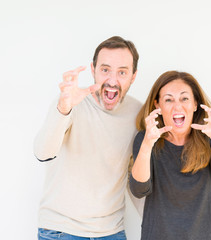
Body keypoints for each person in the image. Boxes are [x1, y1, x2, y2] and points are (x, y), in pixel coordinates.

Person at [34, 36, 143, 240]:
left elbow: (134, 175)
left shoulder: (137, 113)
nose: (112, 80)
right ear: (93, 70)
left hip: (112, 232)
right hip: (60, 230)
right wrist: (63, 109)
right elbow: (43, 153)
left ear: (133, 76)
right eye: (105, 69)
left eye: (122, 72)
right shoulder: (70, 102)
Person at [129, 71, 211, 240]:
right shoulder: (146, 139)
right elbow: (139, 189)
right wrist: (147, 144)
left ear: (195, 104)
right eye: (169, 99)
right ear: (158, 106)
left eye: (184, 98)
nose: (177, 106)